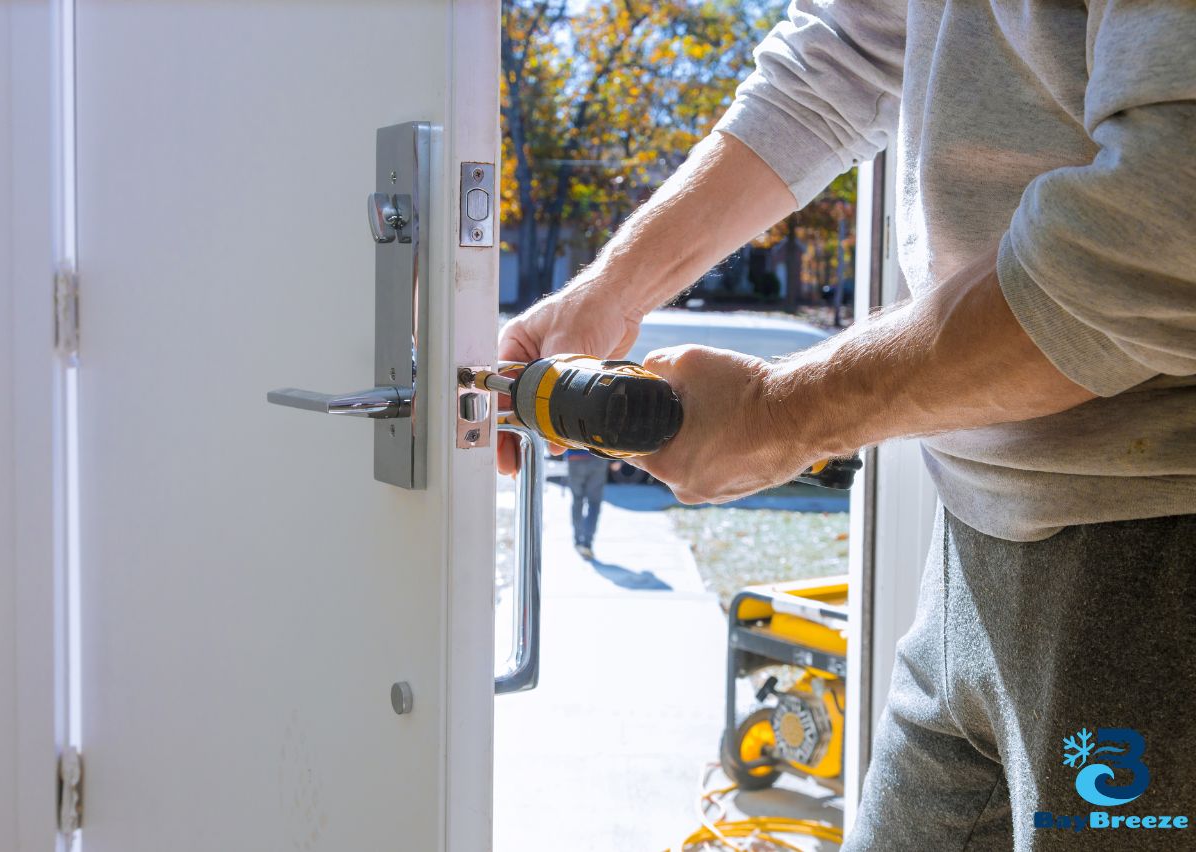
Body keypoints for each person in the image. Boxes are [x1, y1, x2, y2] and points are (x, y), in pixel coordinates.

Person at [498, 3, 1195, 850]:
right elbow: (839, 55)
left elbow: (1164, 230)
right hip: (968, 552)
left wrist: (780, 413)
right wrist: (611, 290)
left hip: (1151, 564)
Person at [565, 449, 611, 560]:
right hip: (598, 457)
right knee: (594, 503)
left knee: (577, 500)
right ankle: (587, 543)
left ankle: (578, 540)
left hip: (574, 458)